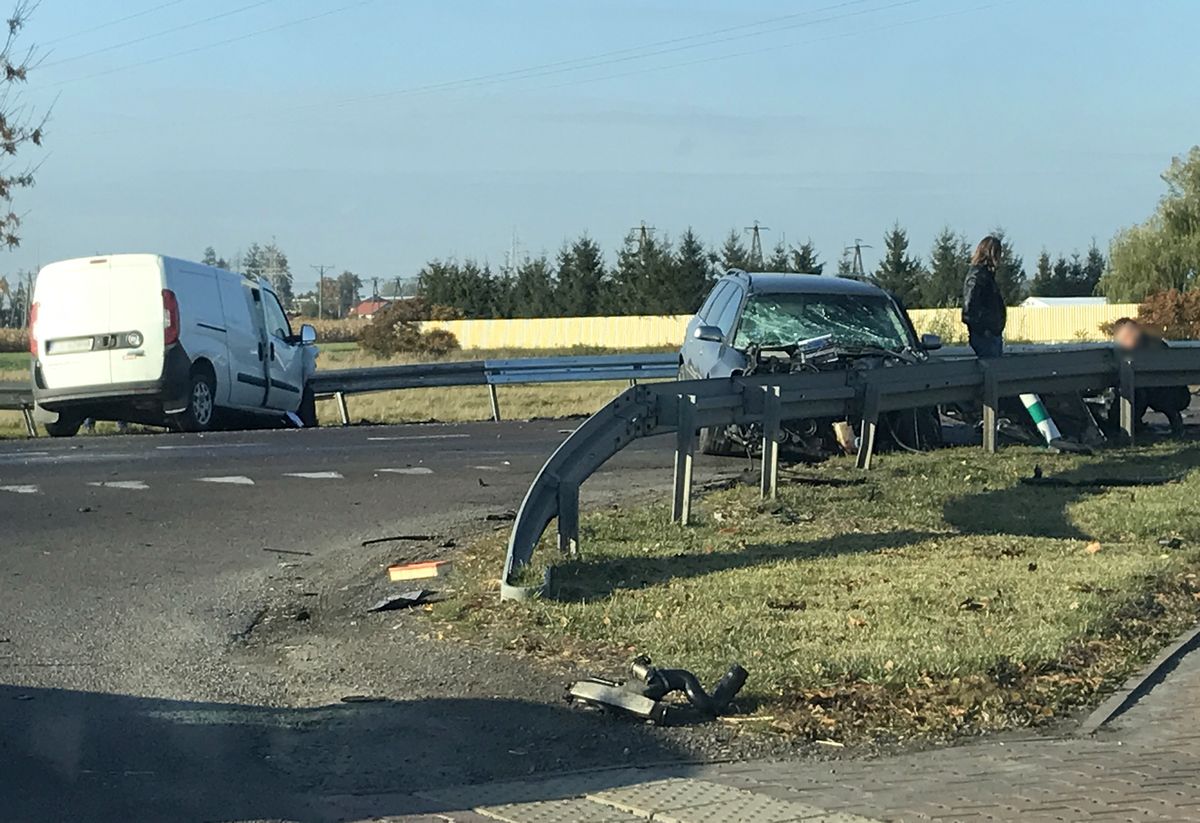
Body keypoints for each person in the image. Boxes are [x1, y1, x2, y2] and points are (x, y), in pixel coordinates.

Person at [1111, 317, 1190, 436]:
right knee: (1133, 391)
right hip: (1154, 390)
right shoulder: (1121, 352)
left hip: (1167, 392)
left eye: (1132, 333)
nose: (1134, 337)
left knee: (1139, 392)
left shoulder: (1154, 347)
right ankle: (1126, 425)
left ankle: (1130, 427)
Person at [962, 235, 1006, 359]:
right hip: (985, 337)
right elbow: (969, 309)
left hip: (990, 334)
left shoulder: (986, 276)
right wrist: (984, 330)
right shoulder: (978, 276)